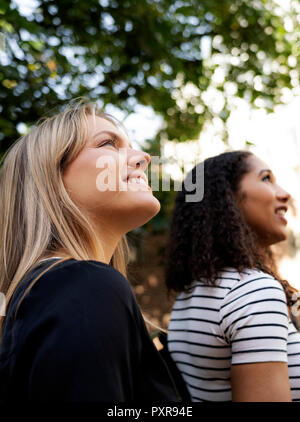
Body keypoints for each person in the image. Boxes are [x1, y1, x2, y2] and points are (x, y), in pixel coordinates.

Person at [0, 98, 178, 402]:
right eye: (108, 143)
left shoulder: (48, 291)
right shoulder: (86, 286)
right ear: (51, 178)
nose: (144, 157)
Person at [165, 150, 300, 402]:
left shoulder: (190, 292)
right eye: (267, 179)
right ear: (227, 198)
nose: (285, 193)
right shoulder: (252, 290)